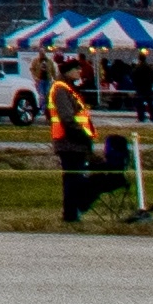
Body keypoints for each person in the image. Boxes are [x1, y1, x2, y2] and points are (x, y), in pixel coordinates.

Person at [54, 73, 114, 228]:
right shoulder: (61, 89)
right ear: (68, 71)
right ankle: (72, 213)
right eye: (76, 69)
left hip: (77, 144)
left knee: (75, 179)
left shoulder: (69, 88)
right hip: (70, 143)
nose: (79, 72)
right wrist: (83, 136)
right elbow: (67, 119)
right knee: (73, 180)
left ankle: (73, 212)